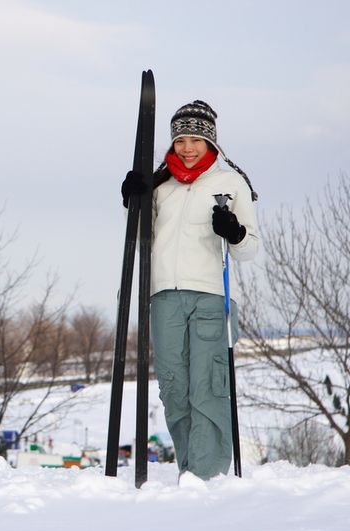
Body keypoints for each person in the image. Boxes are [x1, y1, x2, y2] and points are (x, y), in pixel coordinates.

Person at [120, 100, 259, 480]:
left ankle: (206, 474)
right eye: (180, 138)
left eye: (195, 138)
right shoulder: (159, 184)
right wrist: (132, 199)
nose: (187, 147)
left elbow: (250, 249)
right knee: (174, 387)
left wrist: (234, 231)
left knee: (207, 384)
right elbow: (141, 237)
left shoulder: (230, 183)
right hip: (163, 294)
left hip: (210, 295)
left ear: (210, 141)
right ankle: (189, 467)